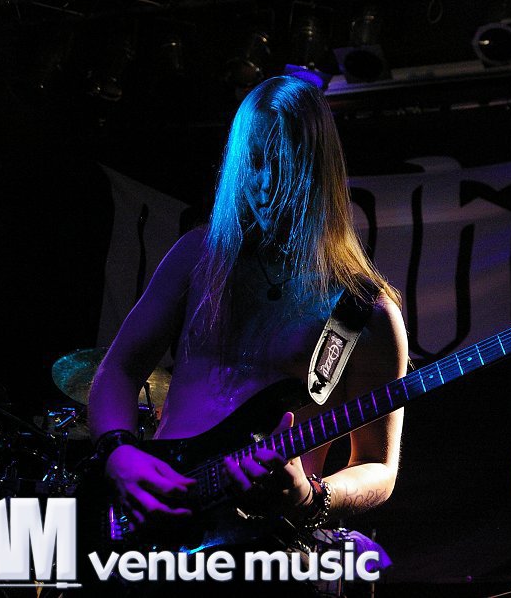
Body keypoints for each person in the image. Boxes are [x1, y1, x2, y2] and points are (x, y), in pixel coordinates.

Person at [89, 76, 407, 590]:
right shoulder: (198, 257)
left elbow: (377, 465)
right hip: (154, 537)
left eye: (285, 163)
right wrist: (119, 453)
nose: (266, 182)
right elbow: (119, 370)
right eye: (255, 161)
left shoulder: (361, 312)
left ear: (319, 170)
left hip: (267, 548)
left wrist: (312, 497)